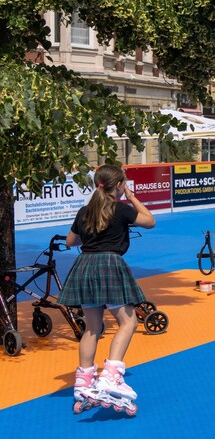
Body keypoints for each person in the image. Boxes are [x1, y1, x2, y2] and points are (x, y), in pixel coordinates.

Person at [60, 164, 156, 416]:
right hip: (110, 265)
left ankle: (83, 385)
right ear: (119, 185)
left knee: (92, 328)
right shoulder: (121, 209)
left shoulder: (85, 211)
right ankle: (110, 377)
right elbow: (149, 221)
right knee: (128, 322)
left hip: (86, 265)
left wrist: (90, 233)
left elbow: (71, 241)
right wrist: (132, 196)